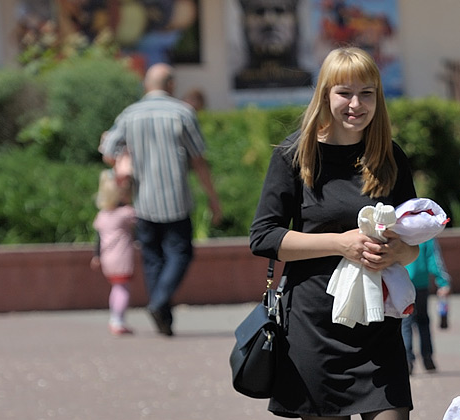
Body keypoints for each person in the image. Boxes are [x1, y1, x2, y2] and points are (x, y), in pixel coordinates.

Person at [248, 46, 420, 420]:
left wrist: (400, 247)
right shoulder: (295, 157)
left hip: (376, 322)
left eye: (366, 93)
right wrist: (340, 241)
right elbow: (265, 236)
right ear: (325, 94)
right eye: (344, 92)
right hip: (312, 323)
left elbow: (412, 234)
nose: (355, 104)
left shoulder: (389, 158)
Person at [101, 63, 222, 337]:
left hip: (143, 201)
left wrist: (128, 157)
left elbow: (109, 152)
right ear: (170, 85)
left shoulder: (129, 114)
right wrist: (213, 199)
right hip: (176, 199)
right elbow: (198, 159)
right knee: (181, 253)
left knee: (153, 258)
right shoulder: (182, 113)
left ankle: (162, 315)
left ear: (147, 85)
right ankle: (159, 304)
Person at [90, 169, 138, 336]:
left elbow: (98, 237)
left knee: (116, 288)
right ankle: (118, 320)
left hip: (106, 257)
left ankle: (115, 317)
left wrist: (96, 255)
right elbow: (140, 226)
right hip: (122, 257)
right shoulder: (125, 213)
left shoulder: (103, 215)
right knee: (122, 289)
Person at [234, 0, 311, 89]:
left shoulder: (310, 78)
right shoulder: (236, 80)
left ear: (296, 21)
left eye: (280, 10)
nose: (269, 20)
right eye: (259, 11)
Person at [401, 239, 451, 373]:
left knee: (406, 322)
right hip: (421, 285)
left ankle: (408, 360)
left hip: (403, 284)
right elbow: (434, 260)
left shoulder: (400, 232)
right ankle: (427, 358)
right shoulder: (426, 235)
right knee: (423, 321)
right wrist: (442, 282)